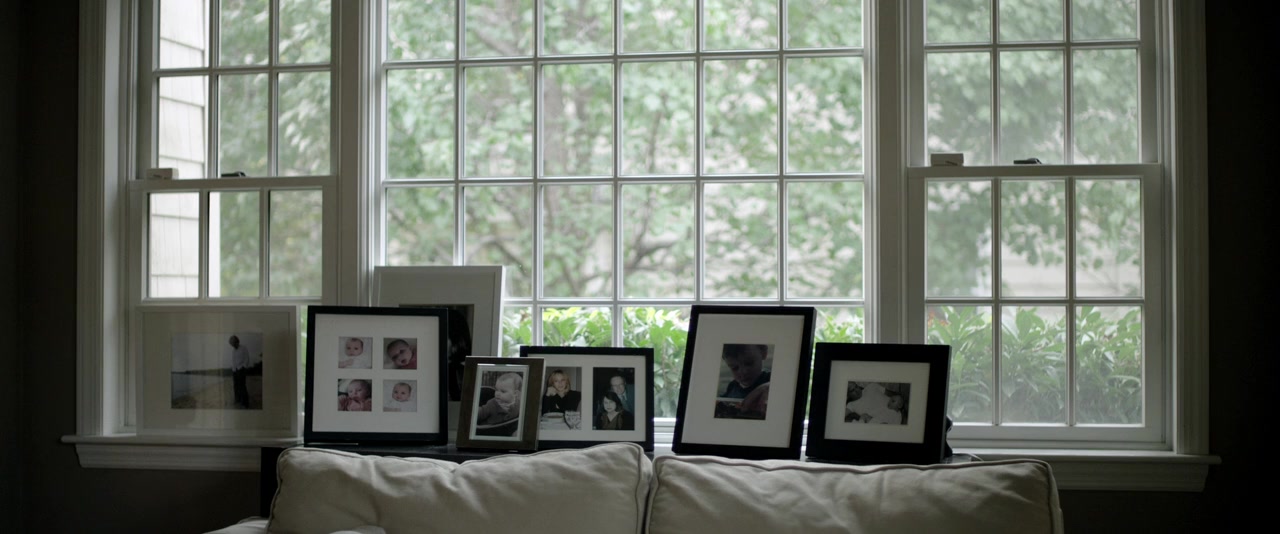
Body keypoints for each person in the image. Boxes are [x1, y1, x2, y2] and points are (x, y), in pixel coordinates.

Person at [715, 344, 770, 419]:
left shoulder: (769, 378)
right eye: (735, 368)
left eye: (749, 363)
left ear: (763, 352)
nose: (743, 372)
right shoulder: (732, 386)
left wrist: (768, 386)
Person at [229, 335, 251, 409]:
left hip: (241, 369)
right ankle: (237, 399)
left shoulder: (243, 348)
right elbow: (233, 360)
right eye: (232, 344)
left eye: (233, 343)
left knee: (242, 386)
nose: (233, 346)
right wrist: (233, 369)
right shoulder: (233, 350)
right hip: (234, 370)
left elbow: (247, 358)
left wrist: (243, 367)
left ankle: (245, 403)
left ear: (237, 342)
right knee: (235, 386)